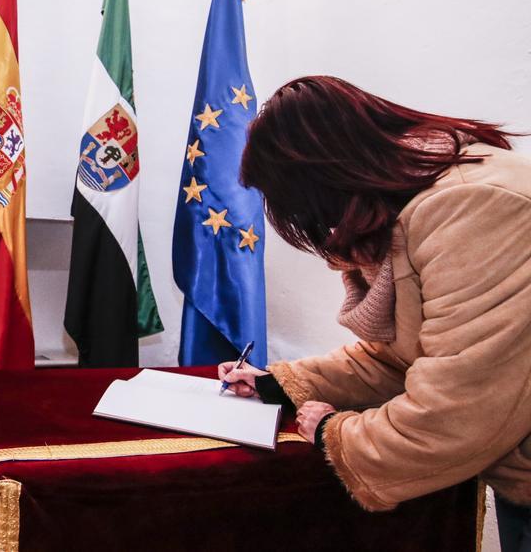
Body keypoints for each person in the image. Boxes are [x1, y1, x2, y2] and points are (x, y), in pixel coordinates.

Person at [218, 75, 531, 550]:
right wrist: (278, 384)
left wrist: (334, 432)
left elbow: (458, 409)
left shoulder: (471, 206)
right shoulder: (410, 202)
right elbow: (398, 360)